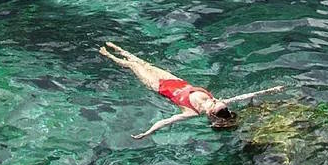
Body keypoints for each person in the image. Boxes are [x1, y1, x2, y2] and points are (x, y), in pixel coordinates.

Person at [99, 41, 284, 139]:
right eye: (216, 100)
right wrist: (270, 90)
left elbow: (167, 121)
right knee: (144, 63)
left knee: (133, 67)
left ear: (212, 113)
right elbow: (246, 95)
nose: (214, 99)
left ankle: (108, 55)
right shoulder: (220, 105)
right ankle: (118, 48)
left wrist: (148, 132)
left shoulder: (191, 112)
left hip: (159, 87)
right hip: (174, 80)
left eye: (214, 103)